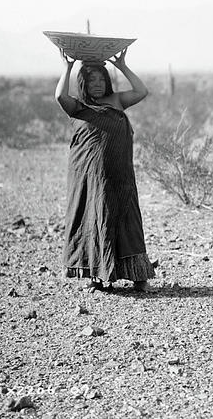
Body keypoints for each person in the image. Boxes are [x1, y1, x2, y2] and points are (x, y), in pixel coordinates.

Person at [54, 48, 155, 293]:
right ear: (83, 83)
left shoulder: (117, 101)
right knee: (93, 219)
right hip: (90, 178)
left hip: (120, 174)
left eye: (101, 79)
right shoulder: (77, 107)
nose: (98, 84)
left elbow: (141, 91)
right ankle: (96, 275)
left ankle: (138, 275)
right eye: (91, 80)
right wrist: (67, 67)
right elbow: (59, 96)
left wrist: (121, 65)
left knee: (126, 219)